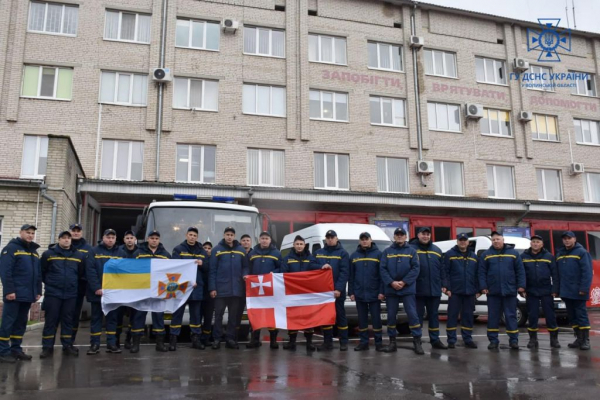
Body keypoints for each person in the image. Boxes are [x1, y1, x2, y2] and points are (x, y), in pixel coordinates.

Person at [0, 224, 42, 363]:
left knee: (20, 323)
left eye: (32, 233)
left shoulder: (34, 252)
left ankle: (16, 350)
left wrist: (38, 291)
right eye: (27, 232)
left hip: (28, 294)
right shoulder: (11, 249)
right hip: (14, 294)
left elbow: (37, 274)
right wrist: (9, 291)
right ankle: (3, 351)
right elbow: (6, 272)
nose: (30, 235)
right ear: (20, 232)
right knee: (8, 323)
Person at [39, 231, 84, 358]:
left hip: (70, 294)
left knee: (68, 321)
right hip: (53, 294)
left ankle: (67, 346)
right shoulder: (48, 254)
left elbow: (80, 274)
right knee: (51, 321)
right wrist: (51, 283)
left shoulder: (78, 255)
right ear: (59, 239)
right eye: (63, 238)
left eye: (68, 238)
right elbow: (42, 272)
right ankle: (47, 347)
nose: (66, 240)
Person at [479, 231, 525, 350]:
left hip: (509, 291)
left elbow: (520, 271)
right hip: (493, 292)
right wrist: (483, 286)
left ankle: (513, 340)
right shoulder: (486, 255)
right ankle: (493, 341)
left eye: (498, 239)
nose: (496, 241)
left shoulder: (513, 254)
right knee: (493, 317)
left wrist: (521, 286)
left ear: (503, 240)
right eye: (494, 240)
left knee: (511, 316)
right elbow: (482, 273)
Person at [380, 228, 423, 355]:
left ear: (405, 237)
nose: (399, 237)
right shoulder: (387, 252)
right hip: (391, 289)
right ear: (394, 237)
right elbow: (382, 269)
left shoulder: (412, 251)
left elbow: (416, 268)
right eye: (397, 235)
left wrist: (404, 282)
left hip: (407, 289)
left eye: (402, 235)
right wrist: (392, 282)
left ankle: (417, 342)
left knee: (412, 315)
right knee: (391, 316)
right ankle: (392, 343)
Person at [130, 230, 171, 353]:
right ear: (148, 239)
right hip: (142, 289)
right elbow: (131, 268)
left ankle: (160, 343)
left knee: (158, 316)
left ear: (159, 240)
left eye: (156, 238)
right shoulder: (138, 253)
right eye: (152, 238)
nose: (154, 240)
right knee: (139, 315)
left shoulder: (165, 254)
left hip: (159, 290)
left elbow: (172, 271)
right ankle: (135, 344)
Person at [208, 227, 249, 350]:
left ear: (234, 236)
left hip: (236, 290)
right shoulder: (217, 250)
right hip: (220, 290)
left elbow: (245, 266)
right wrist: (212, 288)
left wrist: (244, 275)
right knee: (219, 316)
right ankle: (216, 339)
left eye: (231, 234)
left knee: (233, 316)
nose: (229, 237)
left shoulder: (241, 250)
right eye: (227, 234)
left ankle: (230, 339)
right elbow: (212, 271)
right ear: (224, 235)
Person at [280, 235, 321, 352]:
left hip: (307, 294)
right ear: (294, 245)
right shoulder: (287, 258)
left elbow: (315, 268)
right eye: (297, 244)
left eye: (301, 244)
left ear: (304, 245)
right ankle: (292, 342)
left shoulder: (310, 257)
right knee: (293, 317)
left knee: (308, 318)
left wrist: (323, 267)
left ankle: (309, 343)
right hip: (292, 294)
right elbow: (283, 273)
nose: (299, 246)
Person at [87, 229, 124, 355]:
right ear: (103, 237)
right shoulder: (94, 251)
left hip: (113, 294)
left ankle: (111, 344)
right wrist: (97, 288)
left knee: (112, 319)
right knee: (96, 319)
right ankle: (95, 344)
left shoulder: (121, 253)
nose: (110, 239)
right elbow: (90, 271)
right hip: (98, 293)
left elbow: (124, 273)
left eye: (113, 237)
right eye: (108, 237)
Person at [410, 227, 448, 349]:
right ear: (418, 235)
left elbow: (442, 270)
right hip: (418, 290)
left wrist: (444, 284)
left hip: (434, 290)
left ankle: (435, 340)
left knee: (433, 316)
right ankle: (417, 341)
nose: (425, 236)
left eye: (427, 234)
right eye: (423, 234)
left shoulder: (437, 250)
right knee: (418, 317)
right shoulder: (411, 249)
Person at [171, 227, 207, 351]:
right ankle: (173, 339)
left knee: (196, 316)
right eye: (190, 234)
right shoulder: (178, 249)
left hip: (197, 288)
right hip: (181, 288)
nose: (192, 237)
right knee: (177, 314)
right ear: (186, 235)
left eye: (194, 235)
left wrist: (203, 264)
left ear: (197, 237)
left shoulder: (202, 251)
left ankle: (195, 339)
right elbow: (175, 268)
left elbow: (208, 267)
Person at [556, 231, 593, 350]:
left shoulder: (582, 252)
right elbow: (557, 274)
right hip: (566, 291)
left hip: (578, 291)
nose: (567, 240)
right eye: (565, 239)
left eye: (569, 238)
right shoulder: (560, 253)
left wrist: (584, 288)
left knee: (581, 315)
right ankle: (579, 338)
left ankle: (586, 340)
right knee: (572, 316)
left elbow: (587, 272)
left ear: (574, 239)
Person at [522, 234, 560, 349]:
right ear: (530, 243)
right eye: (533, 241)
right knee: (532, 316)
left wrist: (555, 289)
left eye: (538, 242)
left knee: (550, 316)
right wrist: (521, 288)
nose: (535, 244)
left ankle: (554, 340)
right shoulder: (523, 256)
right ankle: (533, 340)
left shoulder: (549, 256)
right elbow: (520, 274)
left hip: (546, 291)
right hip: (531, 291)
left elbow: (555, 275)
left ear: (542, 244)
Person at [315, 230, 350, 351]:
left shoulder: (343, 253)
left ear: (336, 238)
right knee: (326, 317)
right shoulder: (318, 253)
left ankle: (343, 343)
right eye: (328, 237)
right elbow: (312, 266)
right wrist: (321, 266)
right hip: (323, 292)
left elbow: (344, 273)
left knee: (341, 316)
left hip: (337, 292)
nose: (330, 239)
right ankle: (327, 343)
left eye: (332, 237)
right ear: (325, 239)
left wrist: (339, 289)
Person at [246, 231, 282, 349]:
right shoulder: (252, 253)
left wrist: (274, 273)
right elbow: (247, 268)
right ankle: (255, 340)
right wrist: (246, 275)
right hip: (255, 290)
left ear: (270, 240)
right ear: (259, 240)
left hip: (271, 289)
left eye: (267, 238)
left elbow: (281, 268)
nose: (264, 240)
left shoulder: (276, 253)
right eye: (262, 238)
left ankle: (273, 340)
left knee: (271, 314)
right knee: (255, 314)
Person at [349, 232, 384, 352]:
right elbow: (351, 276)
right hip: (359, 293)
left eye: (366, 239)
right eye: (362, 239)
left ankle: (379, 343)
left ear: (371, 240)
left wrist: (381, 291)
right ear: (359, 241)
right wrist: (351, 292)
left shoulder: (378, 254)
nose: (364, 241)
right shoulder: (354, 256)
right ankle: (363, 343)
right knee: (362, 320)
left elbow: (382, 275)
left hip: (374, 293)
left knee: (376, 320)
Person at [442, 233, 479, 349]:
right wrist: (446, 287)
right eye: (460, 240)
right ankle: (451, 340)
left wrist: (478, 289)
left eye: (465, 240)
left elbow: (477, 274)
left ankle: (467, 339)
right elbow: (445, 273)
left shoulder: (474, 256)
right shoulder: (449, 255)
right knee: (452, 316)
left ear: (468, 242)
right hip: (454, 292)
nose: (463, 242)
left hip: (469, 292)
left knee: (468, 316)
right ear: (457, 241)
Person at [68, 223, 94, 344]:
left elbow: (91, 267)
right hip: (65, 286)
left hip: (79, 286)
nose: (76, 233)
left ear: (82, 232)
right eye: (74, 230)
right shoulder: (65, 245)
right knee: (64, 315)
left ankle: (71, 341)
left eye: (78, 231)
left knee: (75, 314)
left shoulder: (88, 248)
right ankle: (62, 341)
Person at [118, 230, 138, 349]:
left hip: (135, 289)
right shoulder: (119, 251)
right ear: (124, 240)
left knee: (133, 316)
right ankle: (116, 340)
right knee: (119, 315)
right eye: (127, 238)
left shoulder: (140, 251)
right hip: (121, 288)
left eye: (131, 237)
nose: (129, 240)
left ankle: (128, 339)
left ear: (135, 239)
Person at [200, 241, 215, 346]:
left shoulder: (214, 261)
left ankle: (206, 337)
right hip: (199, 293)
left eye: (209, 248)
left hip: (210, 294)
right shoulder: (197, 260)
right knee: (197, 316)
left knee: (208, 317)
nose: (206, 249)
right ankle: (197, 337)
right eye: (204, 247)